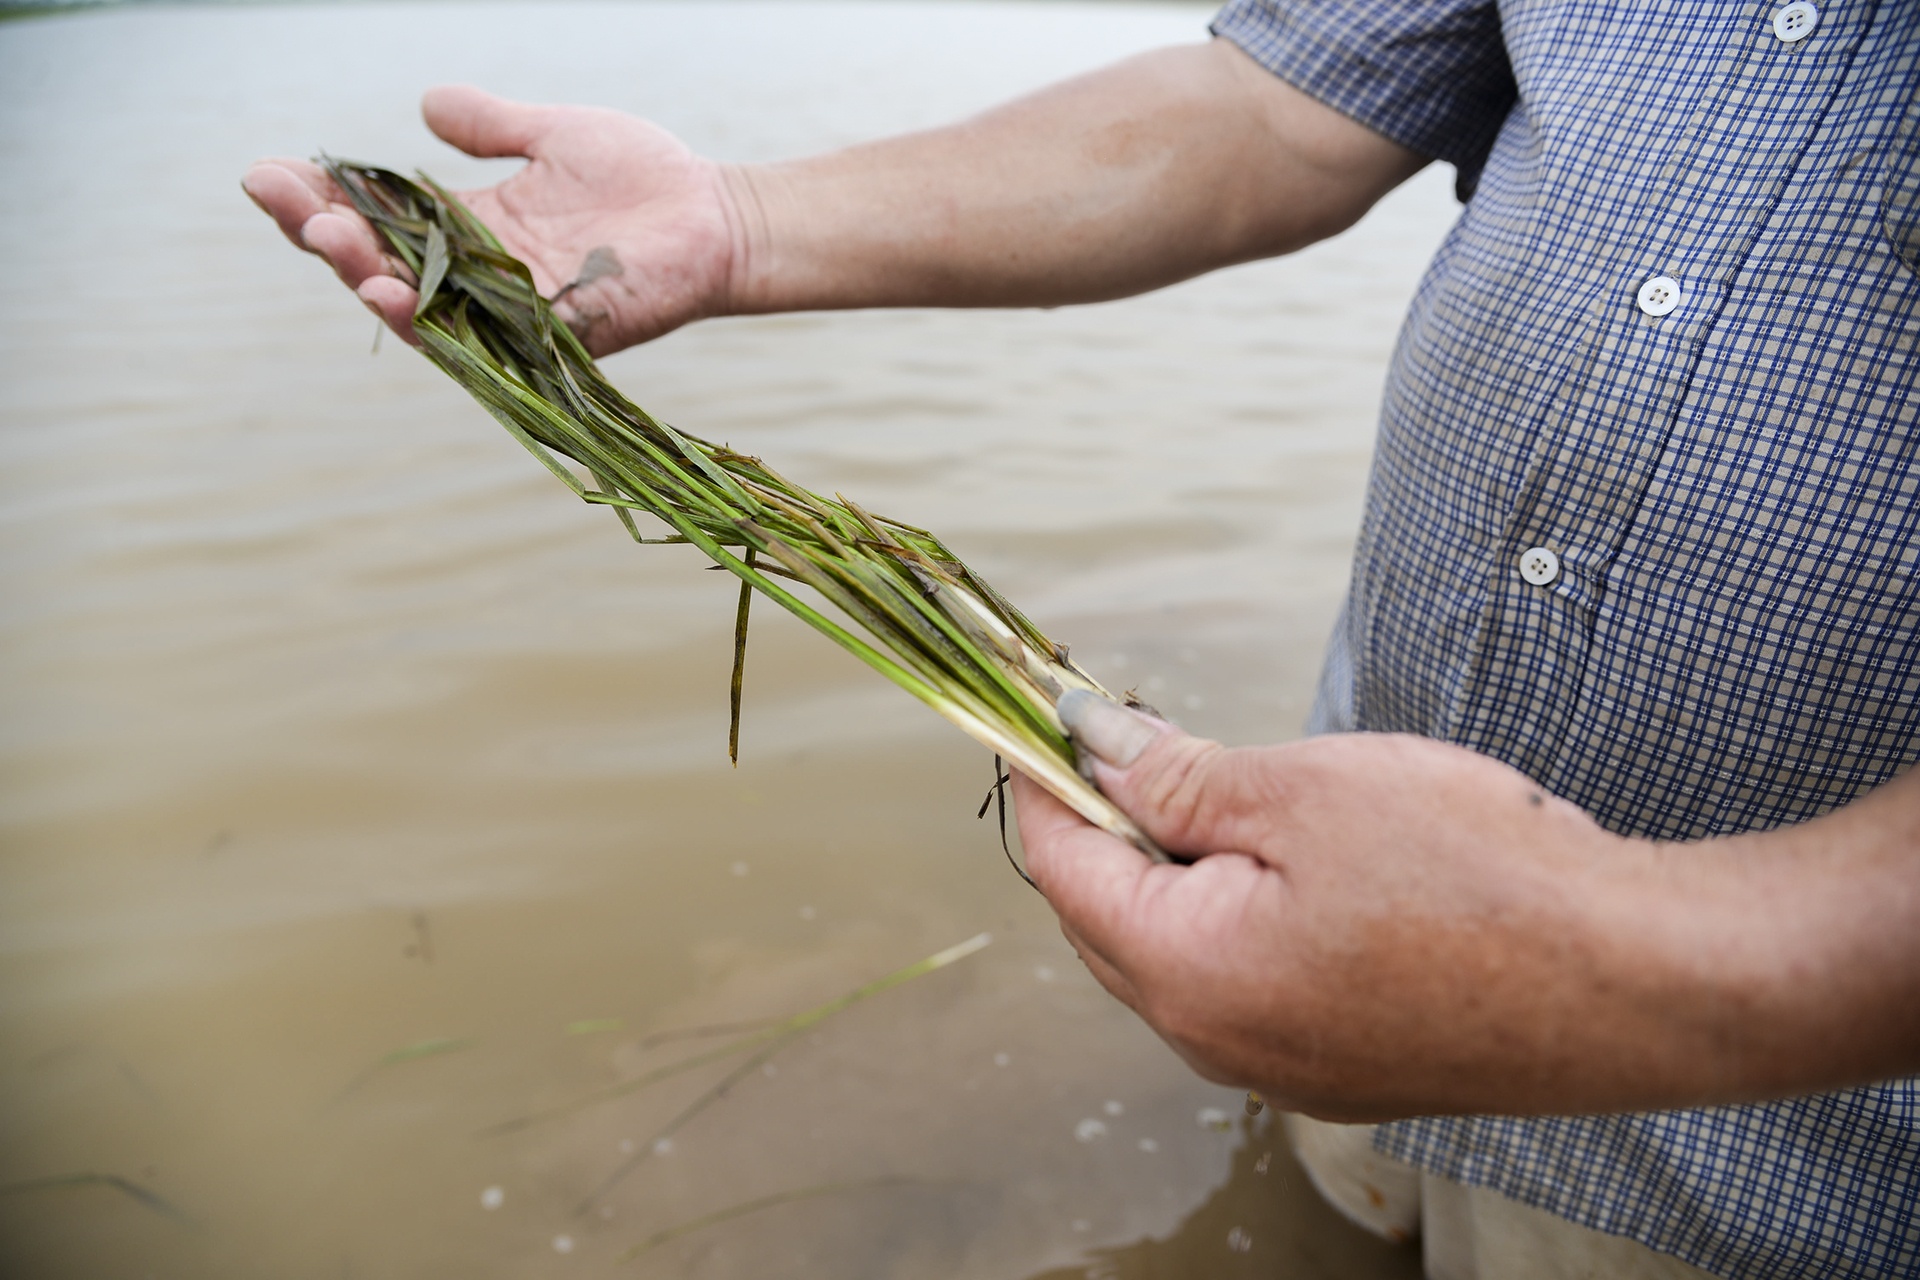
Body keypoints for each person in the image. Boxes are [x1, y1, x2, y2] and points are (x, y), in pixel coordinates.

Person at [244, 1, 1920, 1275]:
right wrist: (740, 220)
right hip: (1337, 900)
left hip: (1788, 1142)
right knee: (1330, 1220)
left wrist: (1642, 969)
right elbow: (1278, 105)